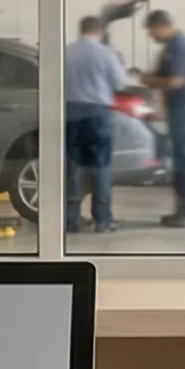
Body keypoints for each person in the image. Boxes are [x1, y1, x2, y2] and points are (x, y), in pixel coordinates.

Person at [63, 15, 126, 233]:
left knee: (72, 168)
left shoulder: (66, 52)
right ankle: (102, 219)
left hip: (70, 112)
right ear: (99, 31)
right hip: (97, 113)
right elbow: (120, 82)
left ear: (80, 30)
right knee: (100, 168)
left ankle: (70, 220)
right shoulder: (106, 53)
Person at [144, 9, 185, 228]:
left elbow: (177, 81)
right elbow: (161, 75)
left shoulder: (181, 47)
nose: (152, 36)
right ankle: (181, 210)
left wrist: (151, 81)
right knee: (179, 161)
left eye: (152, 32)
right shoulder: (170, 48)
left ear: (161, 26)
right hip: (176, 109)